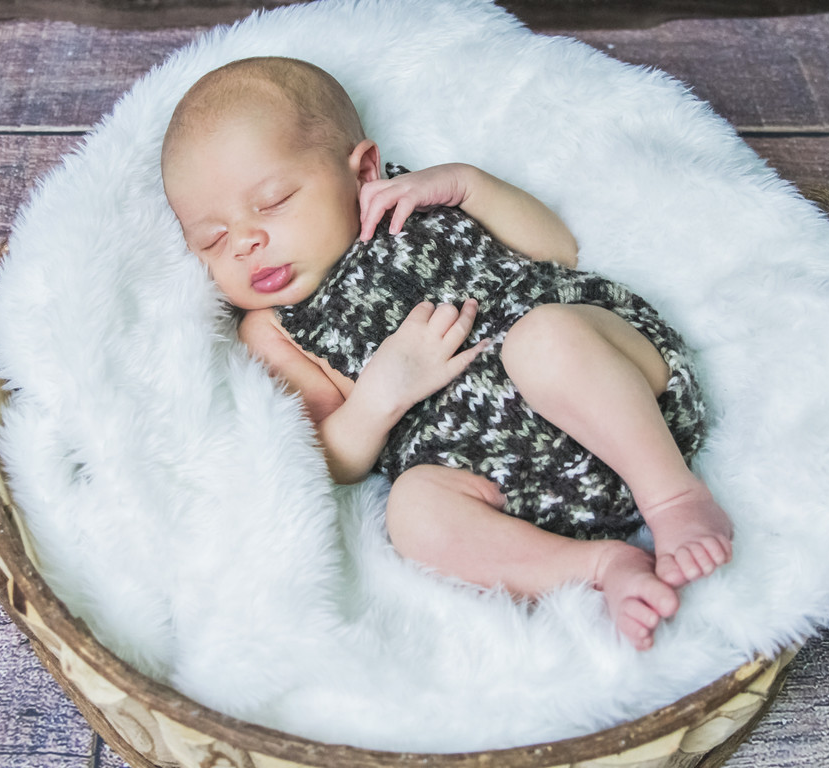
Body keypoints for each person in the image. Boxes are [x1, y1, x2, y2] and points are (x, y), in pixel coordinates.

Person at [160, 56, 733, 650]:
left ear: (363, 171)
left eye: (273, 201)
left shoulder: (411, 201)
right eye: (213, 240)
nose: (246, 242)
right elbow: (330, 459)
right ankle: (597, 566)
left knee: (543, 341)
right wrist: (380, 396)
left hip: (626, 398)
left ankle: (672, 496)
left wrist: (467, 185)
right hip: (506, 485)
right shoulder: (273, 331)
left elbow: (557, 248)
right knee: (412, 513)